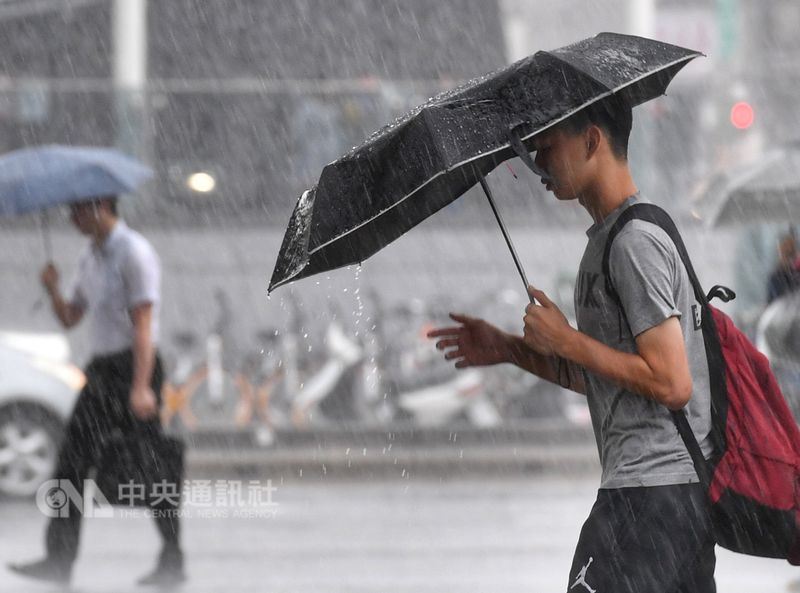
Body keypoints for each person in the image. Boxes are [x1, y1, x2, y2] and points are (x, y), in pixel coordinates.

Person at [429, 97, 716, 592]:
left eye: (547, 145)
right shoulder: (608, 241)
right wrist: (509, 349)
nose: (538, 162)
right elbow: (612, 381)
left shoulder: (634, 242)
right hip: (662, 499)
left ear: (592, 140)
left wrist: (568, 339)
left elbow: (671, 383)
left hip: (650, 498)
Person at [9, 196, 185, 587]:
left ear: (101, 206)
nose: (71, 218)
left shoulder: (134, 252)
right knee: (70, 464)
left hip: (136, 368)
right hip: (103, 371)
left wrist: (141, 388)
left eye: (77, 210)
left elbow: (144, 325)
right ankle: (59, 558)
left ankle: (173, 559)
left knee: (152, 465)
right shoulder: (90, 256)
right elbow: (71, 316)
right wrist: (52, 289)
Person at [766, 232, 800, 304]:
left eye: (793, 250)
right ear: (780, 253)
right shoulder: (775, 277)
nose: (791, 255)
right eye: (787, 252)